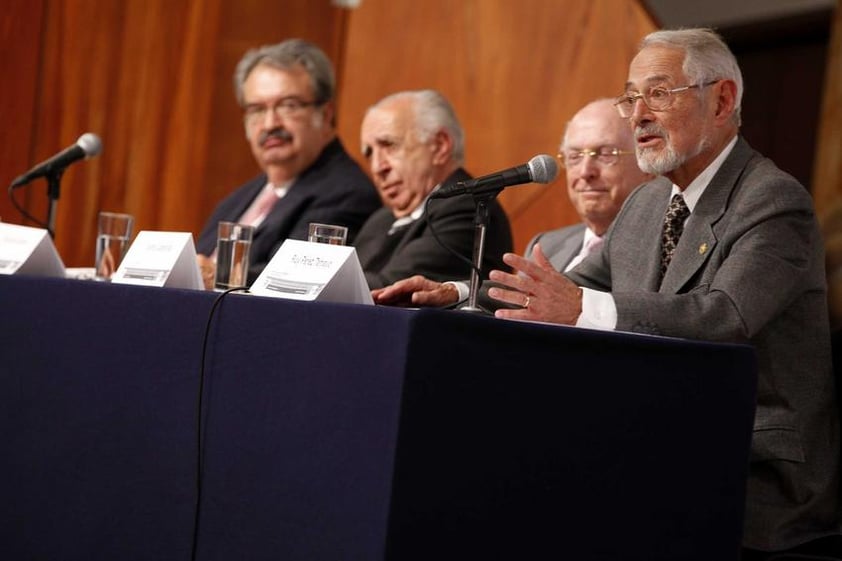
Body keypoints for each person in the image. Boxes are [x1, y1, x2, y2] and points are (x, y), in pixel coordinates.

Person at [487, 29, 840, 558]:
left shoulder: (773, 201)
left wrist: (579, 308)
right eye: (631, 98)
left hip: (754, 472)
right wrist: (455, 292)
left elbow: (725, 317)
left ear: (722, 100)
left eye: (658, 93)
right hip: (655, 445)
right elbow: (570, 286)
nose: (637, 115)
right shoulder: (647, 204)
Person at [371, 97, 651, 308]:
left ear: (645, 162)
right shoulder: (547, 245)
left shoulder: (655, 245)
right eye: (575, 156)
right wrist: (457, 292)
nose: (585, 172)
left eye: (605, 153)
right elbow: (512, 305)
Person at [196, 39, 380, 287]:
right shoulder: (238, 200)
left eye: (288, 106)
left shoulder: (347, 193)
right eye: (257, 109)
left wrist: (216, 273)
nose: (270, 124)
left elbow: (291, 280)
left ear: (325, 116)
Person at [353, 89, 513, 290]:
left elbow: (388, 289)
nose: (377, 167)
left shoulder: (469, 208)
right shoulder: (380, 220)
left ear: (439, 146)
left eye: (389, 145)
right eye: (369, 152)